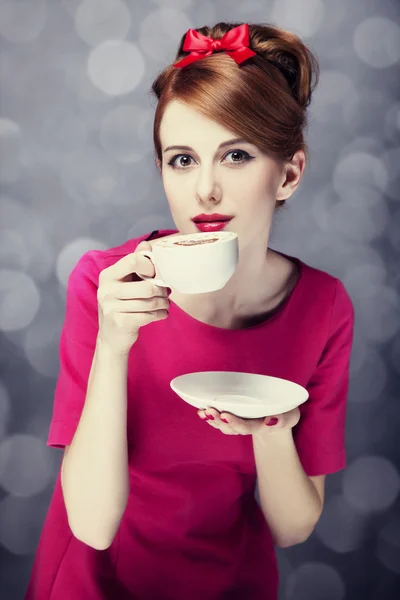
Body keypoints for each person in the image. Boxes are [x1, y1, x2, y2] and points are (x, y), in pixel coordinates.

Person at [25, 22, 355, 600]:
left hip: (232, 581)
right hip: (96, 582)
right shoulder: (108, 285)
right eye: (182, 159)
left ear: (289, 174)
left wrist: (271, 429)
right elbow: (93, 526)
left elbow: (294, 525)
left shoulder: (323, 307)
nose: (205, 189)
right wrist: (113, 344)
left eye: (235, 155)